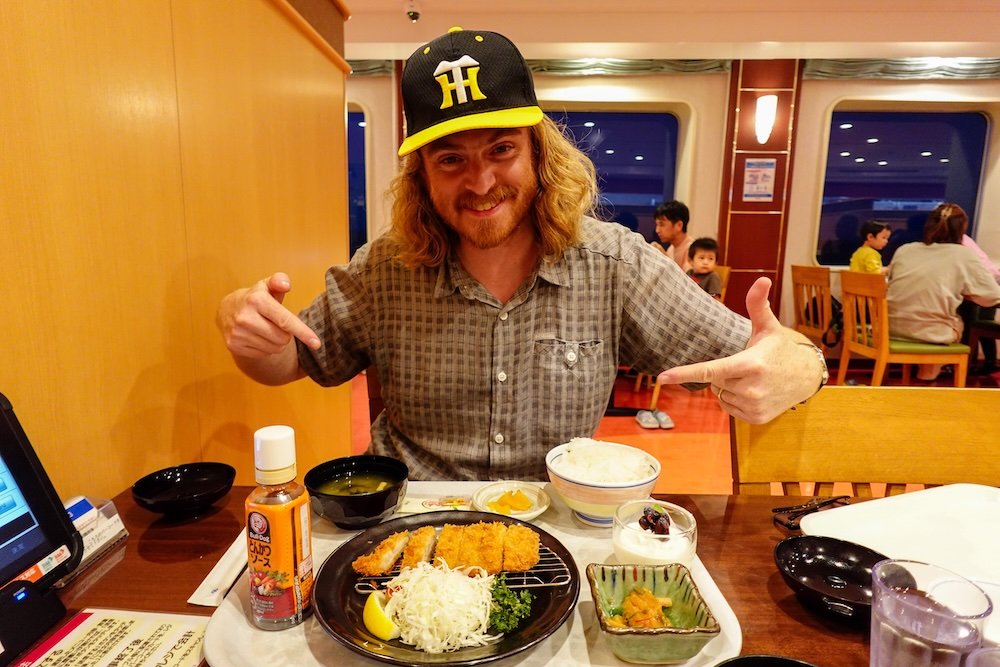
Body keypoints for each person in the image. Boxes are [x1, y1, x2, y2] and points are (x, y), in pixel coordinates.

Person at [216, 28, 828, 481]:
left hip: (558, 534)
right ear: (421, 176)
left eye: (501, 149)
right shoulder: (385, 267)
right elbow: (292, 361)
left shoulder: (614, 265)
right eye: (451, 159)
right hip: (409, 532)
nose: (480, 183)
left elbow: (772, 352)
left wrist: (797, 367)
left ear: (539, 153)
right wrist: (255, 342)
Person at [886, 203, 1000, 381]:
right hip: (932, 334)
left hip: (890, 329)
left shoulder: (905, 250)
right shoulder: (963, 254)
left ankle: (921, 376)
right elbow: (992, 297)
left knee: (931, 311)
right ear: (961, 229)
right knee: (957, 321)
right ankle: (928, 376)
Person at [959, 232, 1000, 374]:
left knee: (972, 322)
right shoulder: (963, 239)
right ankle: (987, 362)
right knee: (980, 322)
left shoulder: (957, 242)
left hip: (986, 282)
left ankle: (970, 364)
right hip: (991, 280)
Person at [651, 200, 693, 272]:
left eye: (661, 224)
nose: (657, 230)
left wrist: (664, 257)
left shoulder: (691, 249)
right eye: (657, 225)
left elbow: (687, 281)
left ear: (679, 225)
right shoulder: (671, 248)